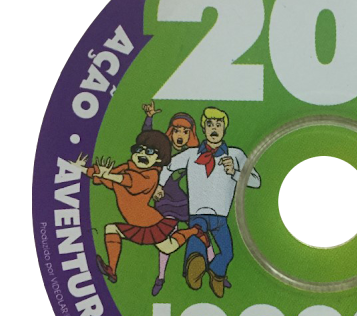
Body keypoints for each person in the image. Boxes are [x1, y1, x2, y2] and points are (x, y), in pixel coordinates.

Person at [70, 130, 210, 285]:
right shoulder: (125, 168)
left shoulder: (151, 175)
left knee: (168, 247)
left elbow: (131, 181)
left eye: (149, 152)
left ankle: (195, 231)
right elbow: (104, 177)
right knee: (111, 229)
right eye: (139, 150)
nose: (142, 154)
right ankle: (112, 270)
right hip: (135, 222)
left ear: (159, 158)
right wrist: (81, 168)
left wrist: (107, 174)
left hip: (150, 222)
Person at [155, 107, 261, 298]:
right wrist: (160, 186)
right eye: (210, 124)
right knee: (197, 245)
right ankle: (193, 269)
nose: (214, 128)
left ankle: (216, 274)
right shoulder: (191, 154)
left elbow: (256, 181)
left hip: (221, 218)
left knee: (227, 253)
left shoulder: (236, 154)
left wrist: (235, 173)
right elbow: (168, 166)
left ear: (224, 129)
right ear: (203, 129)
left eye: (218, 125)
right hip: (198, 214)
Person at [141, 101, 202, 295]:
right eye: (177, 131)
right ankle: (160, 277)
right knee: (165, 239)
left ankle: (215, 272)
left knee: (201, 230)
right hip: (163, 201)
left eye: (185, 132)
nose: (180, 135)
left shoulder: (192, 154)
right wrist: (149, 118)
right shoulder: (161, 148)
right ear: (171, 132)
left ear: (191, 134)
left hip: (183, 201)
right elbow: (147, 140)